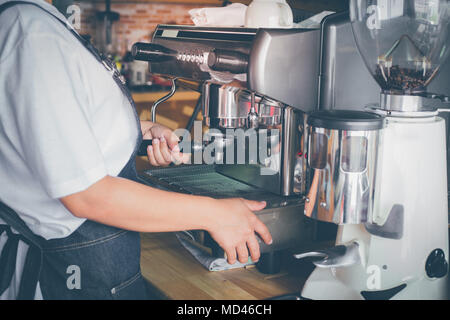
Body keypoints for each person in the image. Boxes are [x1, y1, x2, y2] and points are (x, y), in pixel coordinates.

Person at [0, 0, 272, 299]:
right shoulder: (31, 31)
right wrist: (215, 214)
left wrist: (141, 130)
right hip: (70, 268)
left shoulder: (36, 20)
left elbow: (56, 130)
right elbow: (86, 196)